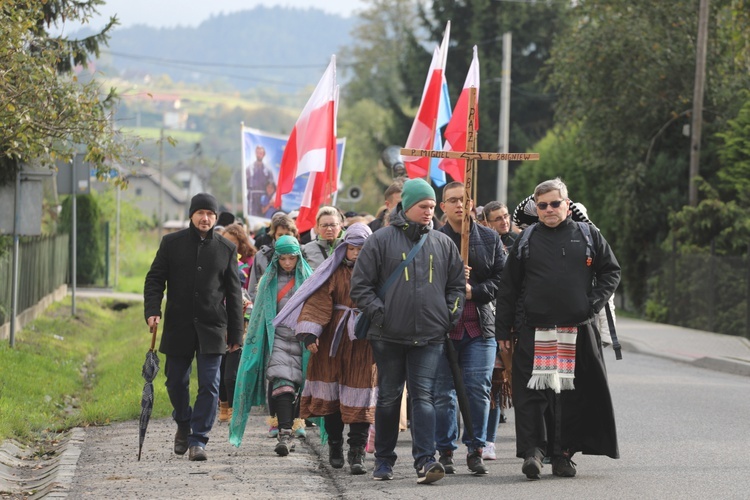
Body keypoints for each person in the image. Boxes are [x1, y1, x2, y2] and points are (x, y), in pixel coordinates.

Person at [495, 178, 621, 480]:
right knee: (532, 396)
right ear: (536, 210)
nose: (549, 209)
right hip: (533, 330)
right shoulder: (526, 241)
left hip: (576, 330)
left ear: (567, 204)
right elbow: (508, 289)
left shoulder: (589, 235)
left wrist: (592, 303)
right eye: (543, 205)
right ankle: (533, 453)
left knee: (569, 396)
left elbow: (610, 271)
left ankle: (563, 455)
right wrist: (502, 332)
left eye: (555, 203)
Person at [350, 178, 465, 485]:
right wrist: (381, 315)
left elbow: (456, 286)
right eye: (423, 206)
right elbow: (360, 287)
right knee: (388, 397)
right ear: (407, 206)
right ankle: (384, 461)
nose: (430, 212)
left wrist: (448, 317)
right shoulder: (380, 240)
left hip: (430, 336)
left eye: (431, 206)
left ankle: (426, 461)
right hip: (387, 336)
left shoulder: (443, 243)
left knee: (423, 398)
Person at [144, 192, 244, 462]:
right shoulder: (171, 243)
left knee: (210, 385)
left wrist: (236, 334)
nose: (206, 218)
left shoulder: (226, 249)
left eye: (210, 214)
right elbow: (154, 279)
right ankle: (184, 422)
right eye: (201, 213)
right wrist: (153, 310)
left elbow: (234, 295)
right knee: (176, 381)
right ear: (191, 215)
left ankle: (198, 439)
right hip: (178, 325)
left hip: (213, 328)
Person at [275, 223, 376, 475]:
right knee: (331, 399)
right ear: (344, 248)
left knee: (360, 398)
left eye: (362, 249)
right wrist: (310, 332)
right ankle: (334, 445)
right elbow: (318, 300)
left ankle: (357, 453)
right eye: (352, 248)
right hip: (332, 341)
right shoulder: (332, 271)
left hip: (364, 344)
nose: (356, 253)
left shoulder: (378, 273)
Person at [434, 182, 505, 476]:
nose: (459, 205)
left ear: (472, 202)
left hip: (480, 328)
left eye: (463, 199)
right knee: (443, 394)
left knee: (478, 389)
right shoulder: (433, 240)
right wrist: (452, 281)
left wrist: (473, 291)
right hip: (443, 331)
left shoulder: (489, 238)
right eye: (452, 200)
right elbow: (420, 285)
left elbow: (504, 280)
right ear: (443, 207)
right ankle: (446, 450)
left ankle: (476, 449)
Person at [229, 235, 313, 455]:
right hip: (276, 340)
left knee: (300, 386)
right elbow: (259, 315)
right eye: (283, 258)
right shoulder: (267, 281)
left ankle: (293, 424)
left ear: (298, 258)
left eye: (291, 258)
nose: (287, 263)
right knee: (282, 383)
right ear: (277, 258)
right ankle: (285, 434)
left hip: (303, 341)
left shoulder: (310, 280)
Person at [481, 200, 518, 451]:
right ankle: (478, 438)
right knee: (480, 385)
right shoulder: (481, 243)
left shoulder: (520, 242)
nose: (504, 221)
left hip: (508, 321)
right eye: (498, 218)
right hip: (484, 316)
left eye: (506, 216)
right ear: (486, 222)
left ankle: (490, 440)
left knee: (497, 382)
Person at [214, 223, 256, 424]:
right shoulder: (213, 262)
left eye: (233, 242)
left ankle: (232, 407)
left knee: (232, 371)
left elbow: (248, 292)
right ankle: (222, 404)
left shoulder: (247, 264)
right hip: (216, 323)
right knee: (219, 369)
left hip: (239, 322)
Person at [301, 206, 345, 270]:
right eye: (324, 225)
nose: (329, 229)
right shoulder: (306, 249)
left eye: (333, 225)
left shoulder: (348, 247)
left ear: (340, 226)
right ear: (318, 227)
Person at [246, 145, 275, 217]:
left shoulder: (268, 170)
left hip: (263, 198)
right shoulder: (249, 169)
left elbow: (272, 186)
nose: (259, 155)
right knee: (252, 217)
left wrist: (271, 199)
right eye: (257, 153)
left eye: (260, 153)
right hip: (252, 198)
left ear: (263, 154)